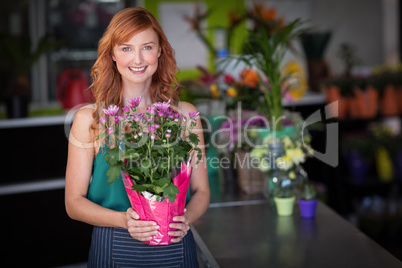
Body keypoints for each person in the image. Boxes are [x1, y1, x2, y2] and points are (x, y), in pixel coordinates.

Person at [65, 7, 210, 267]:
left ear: (159, 51)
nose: (138, 58)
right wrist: (123, 220)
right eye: (126, 48)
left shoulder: (185, 115)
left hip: (176, 244)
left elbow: (201, 191)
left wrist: (186, 218)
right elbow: (73, 203)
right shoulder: (90, 119)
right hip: (113, 244)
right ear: (112, 54)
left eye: (147, 47)